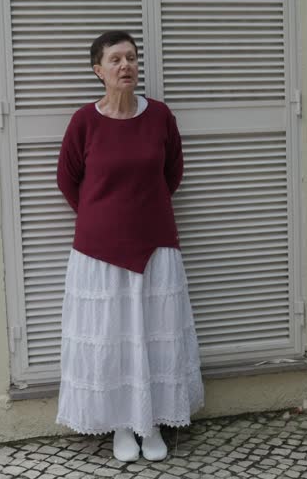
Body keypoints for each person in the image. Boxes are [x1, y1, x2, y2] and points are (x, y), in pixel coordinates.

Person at [55, 30, 205, 463]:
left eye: (132, 58)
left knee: (153, 336)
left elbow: (172, 173)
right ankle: (123, 424)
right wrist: (102, 217)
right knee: (113, 336)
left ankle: (152, 422)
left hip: (155, 246)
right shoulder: (84, 122)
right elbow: (68, 180)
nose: (126, 66)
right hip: (97, 253)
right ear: (97, 70)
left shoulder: (159, 116)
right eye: (116, 59)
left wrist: (143, 211)